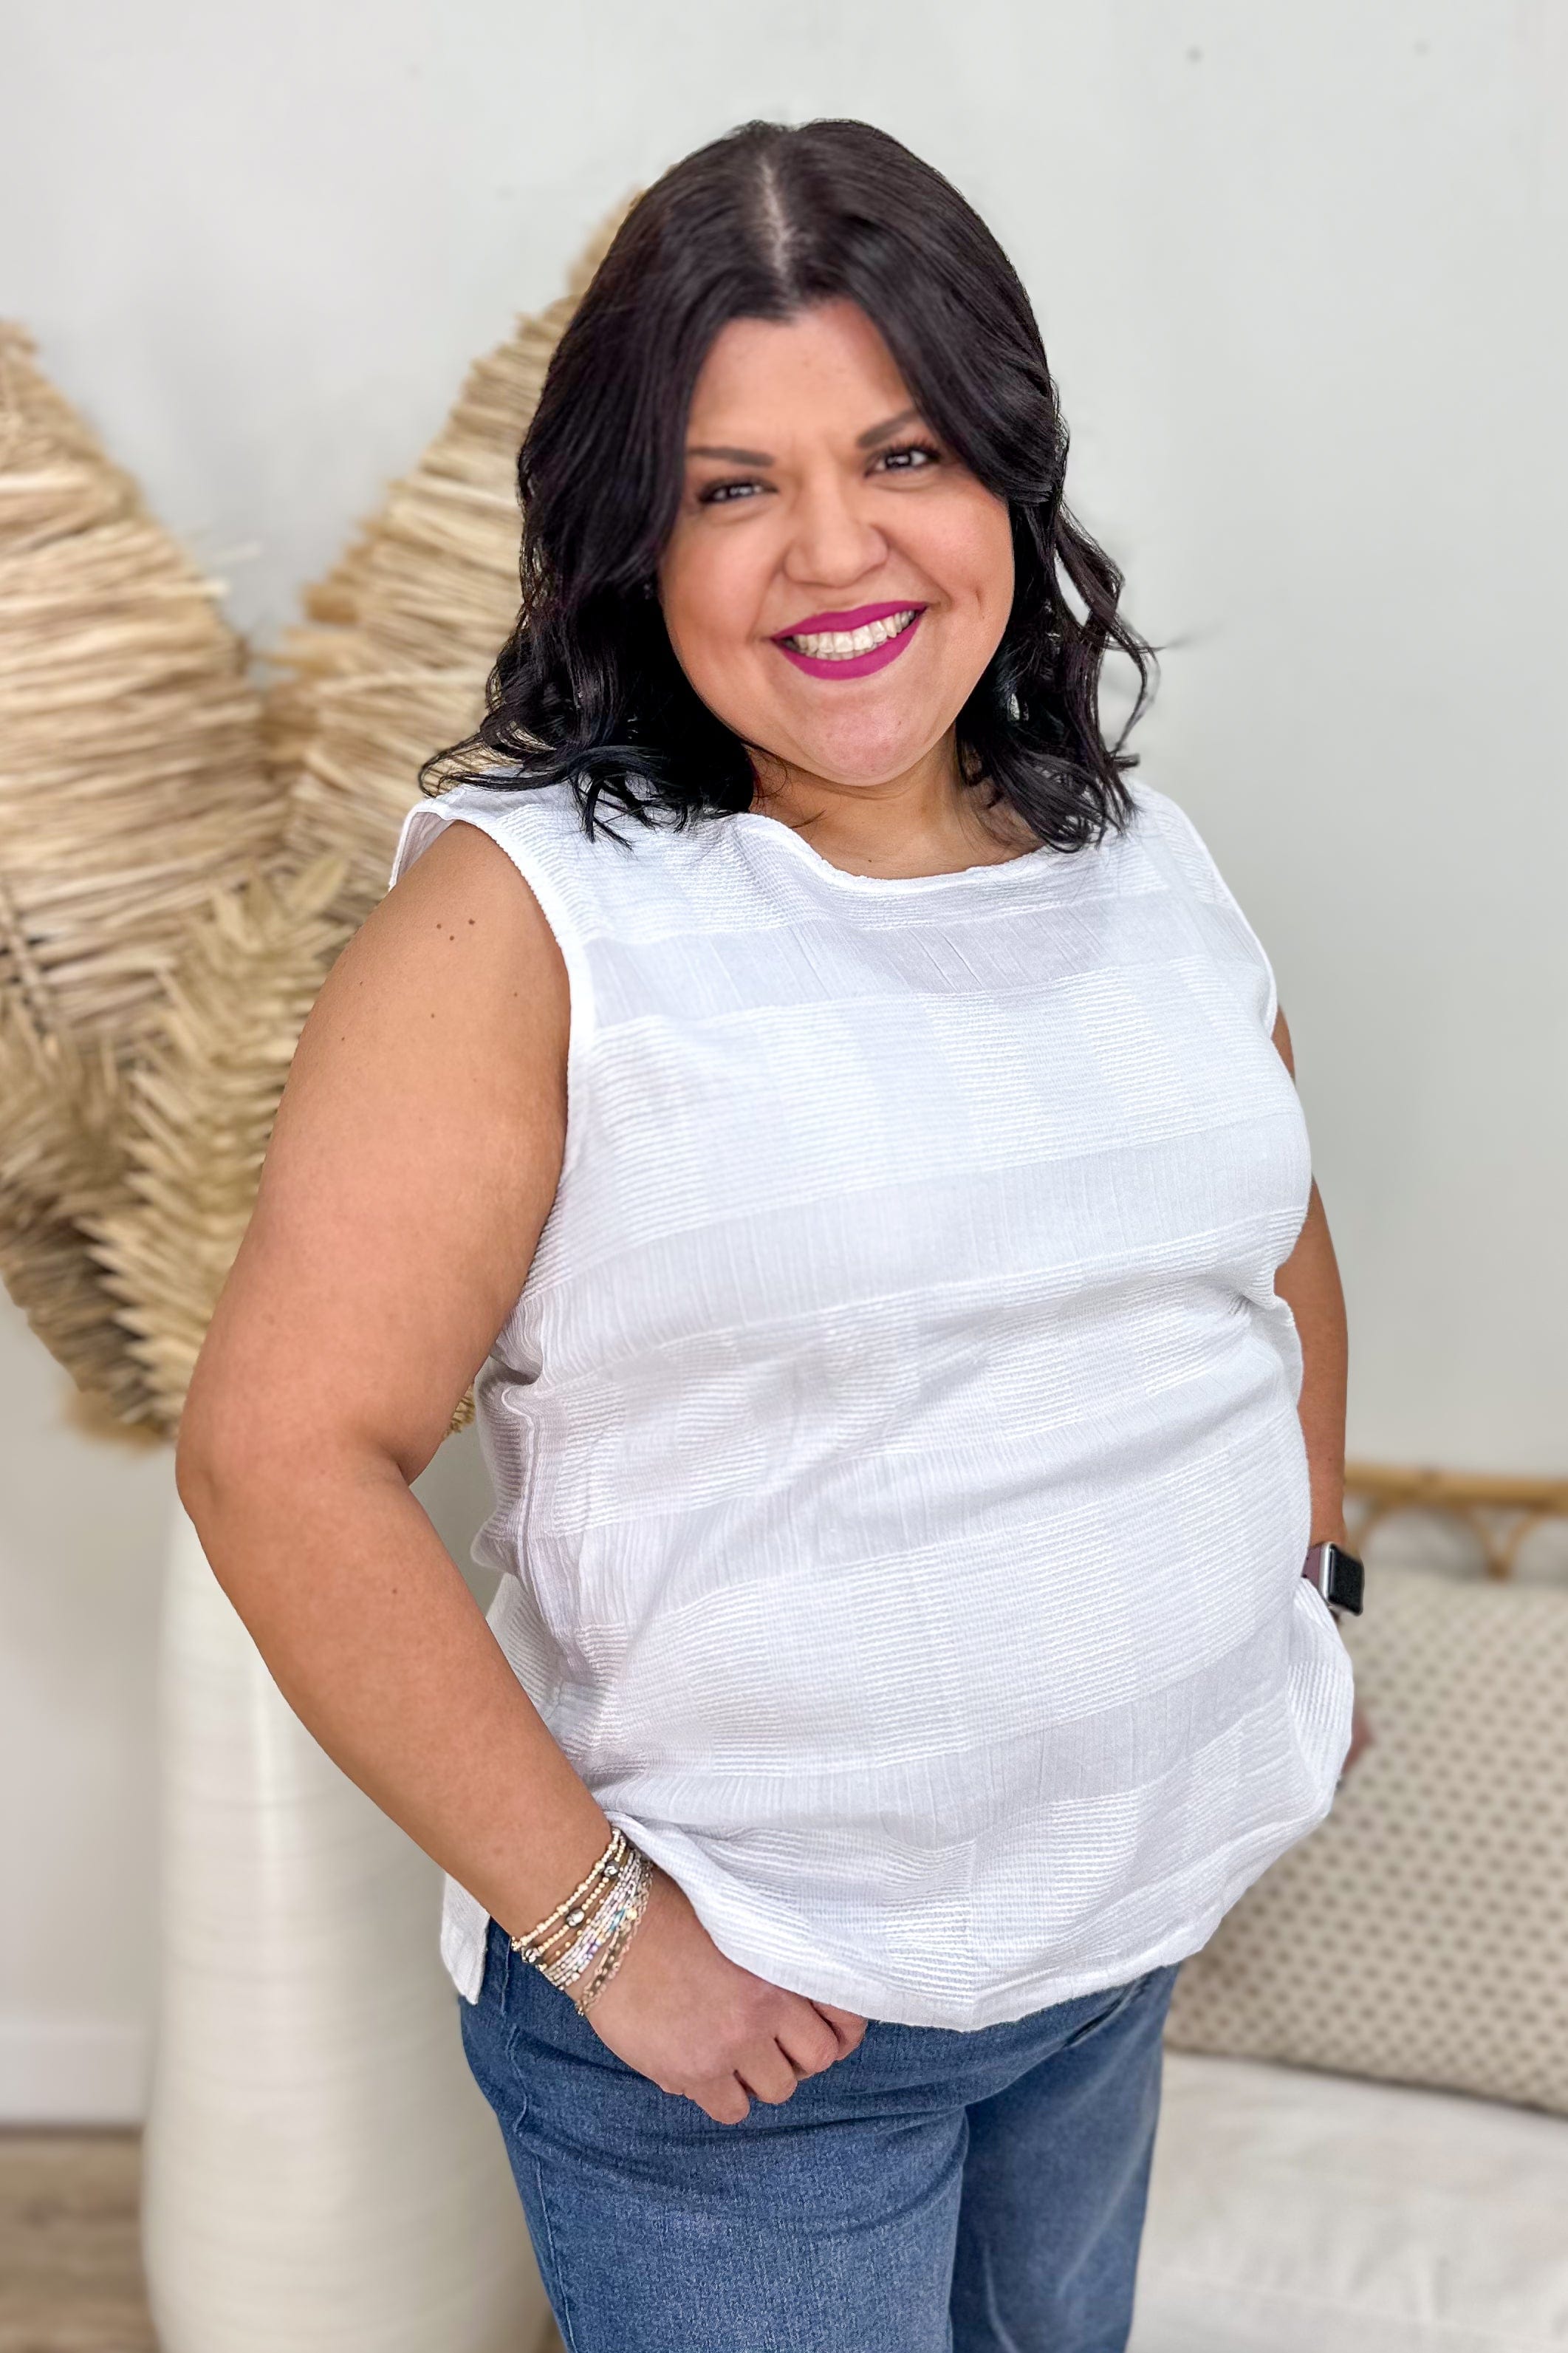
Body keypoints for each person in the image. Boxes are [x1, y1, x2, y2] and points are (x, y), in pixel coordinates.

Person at [178, 117, 1365, 2353]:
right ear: (636, 531)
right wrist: (610, 1932)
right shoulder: (523, 920)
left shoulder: (1140, 864)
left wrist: (1300, 1600)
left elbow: (1264, 1232)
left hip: (1102, 1955)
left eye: (900, 450)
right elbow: (276, 1453)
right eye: (734, 485)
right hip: (765, 2042)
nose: (834, 549)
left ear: (1004, 471)